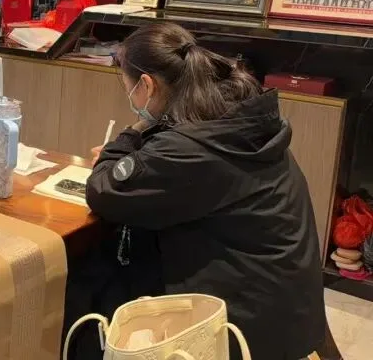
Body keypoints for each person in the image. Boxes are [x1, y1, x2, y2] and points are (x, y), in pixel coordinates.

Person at [86, 22, 325, 359]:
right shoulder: (235, 118)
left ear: (147, 85)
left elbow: (104, 191)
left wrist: (129, 136)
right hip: (286, 308)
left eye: (127, 86)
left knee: (97, 275)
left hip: (242, 326)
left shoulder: (188, 149)